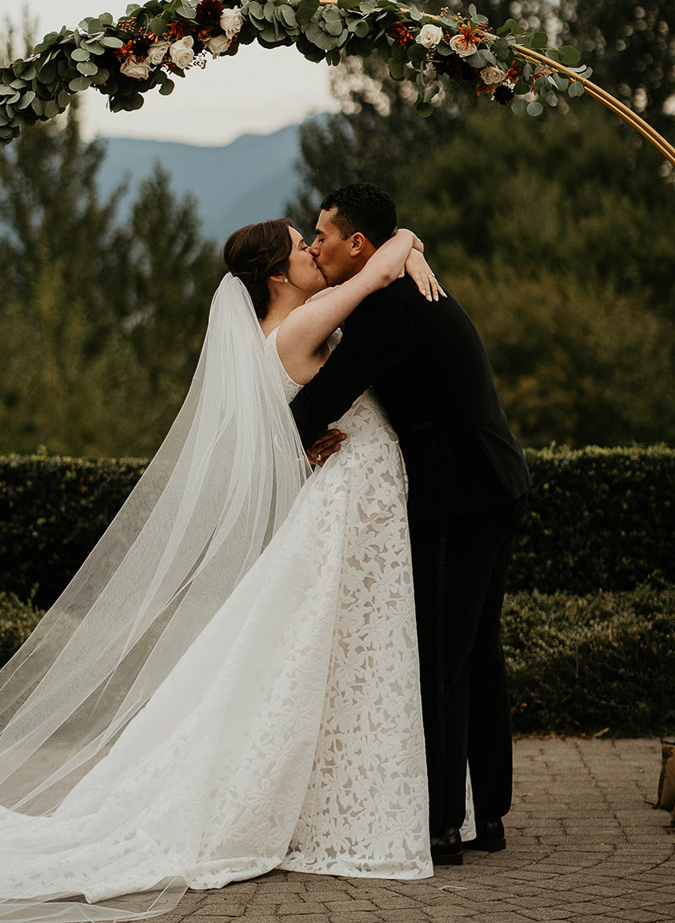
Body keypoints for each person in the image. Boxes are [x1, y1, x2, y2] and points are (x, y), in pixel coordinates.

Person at [0, 216, 459, 923]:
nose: (314, 251)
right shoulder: (299, 326)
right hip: (341, 504)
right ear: (277, 273)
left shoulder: (277, 335)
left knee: (305, 658)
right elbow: (377, 269)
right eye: (304, 245)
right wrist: (406, 238)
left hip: (339, 497)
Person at [290, 184, 531, 867]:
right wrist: (407, 243)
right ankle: (489, 814)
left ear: (357, 245)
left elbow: (328, 394)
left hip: (461, 493)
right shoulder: (396, 283)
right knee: (478, 652)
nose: (315, 244)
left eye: (322, 235)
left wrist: (271, 437)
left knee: (444, 655)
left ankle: (440, 826)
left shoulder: (387, 309)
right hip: (495, 478)